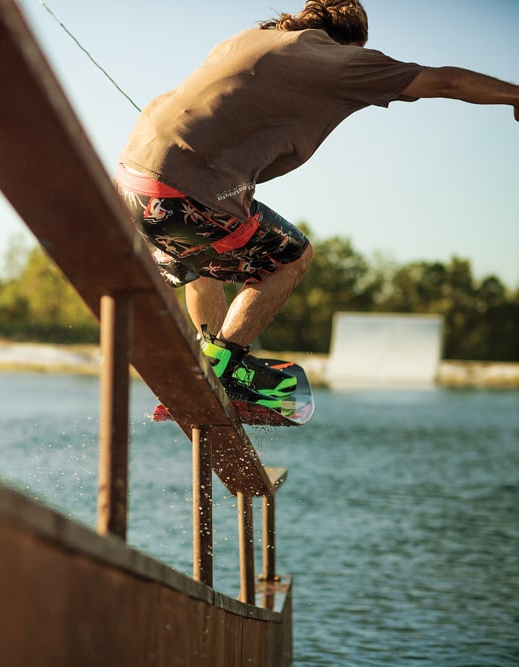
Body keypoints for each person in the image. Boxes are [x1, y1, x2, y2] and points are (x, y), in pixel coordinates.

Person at [115, 0, 519, 409]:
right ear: (353, 42)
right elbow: (446, 82)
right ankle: (224, 366)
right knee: (292, 256)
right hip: (189, 194)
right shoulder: (337, 59)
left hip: (134, 185)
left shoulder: (247, 39)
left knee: (208, 252)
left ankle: (211, 356)